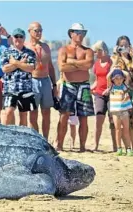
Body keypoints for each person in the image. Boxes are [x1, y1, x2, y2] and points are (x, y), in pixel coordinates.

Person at [56, 23, 94, 152]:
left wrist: (71, 62)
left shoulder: (88, 50)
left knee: (84, 117)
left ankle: (82, 146)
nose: (80, 35)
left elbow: (88, 65)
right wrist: (80, 65)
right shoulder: (64, 50)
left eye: (83, 33)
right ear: (71, 33)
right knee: (64, 115)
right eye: (77, 32)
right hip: (69, 85)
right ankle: (60, 144)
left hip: (84, 85)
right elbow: (62, 67)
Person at [110, 35, 133, 155]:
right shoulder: (115, 58)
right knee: (120, 123)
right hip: (119, 94)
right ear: (117, 47)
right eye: (121, 45)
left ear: (130, 46)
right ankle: (122, 148)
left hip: (132, 92)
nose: (124, 48)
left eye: (126, 45)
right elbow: (111, 73)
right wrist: (117, 57)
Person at [25, 22, 57, 140]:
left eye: (40, 30)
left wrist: (54, 85)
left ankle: (46, 139)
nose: (38, 33)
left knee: (46, 112)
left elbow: (51, 67)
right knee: (33, 113)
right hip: (32, 80)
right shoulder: (25, 46)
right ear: (30, 31)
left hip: (45, 80)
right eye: (36, 30)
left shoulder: (46, 47)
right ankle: (36, 139)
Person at [0, 28, 36, 126]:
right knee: (8, 112)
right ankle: (5, 135)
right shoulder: (7, 52)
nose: (18, 39)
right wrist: (21, 63)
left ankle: (22, 138)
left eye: (21, 37)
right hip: (10, 88)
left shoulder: (30, 53)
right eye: (16, 36)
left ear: (24, 38)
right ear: (13, 38)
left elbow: (30, 68)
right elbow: (5, 69)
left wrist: (15, 62)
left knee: (23, 115)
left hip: (25, 89)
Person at [91, 40, 117, 151]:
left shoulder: (112, 62)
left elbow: (116, 79)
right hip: (99, 94)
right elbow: (97, 80)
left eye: (96, 51)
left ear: (102, 51)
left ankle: (116, 146)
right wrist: (91, 88)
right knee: (99, 119)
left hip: (111, 94)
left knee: (113, 121)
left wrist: (109, 89)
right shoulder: (96, 64)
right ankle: (96, 145)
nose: (94, 54)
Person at [104, 69, 133, 156]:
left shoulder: (125, 86)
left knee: (126, 130)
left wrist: (120, 70)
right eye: (116, 78)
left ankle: (128, 149)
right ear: (113, 79)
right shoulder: (111, 86)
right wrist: (113, 70)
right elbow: (107, 77)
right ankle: (119, 148)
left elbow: (127, 75)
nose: (118, 80)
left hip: (124, 111)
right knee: (117, 130)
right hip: (115, 112)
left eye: (120, 78)